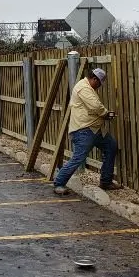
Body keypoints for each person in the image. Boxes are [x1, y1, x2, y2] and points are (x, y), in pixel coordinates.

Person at [53, 67, 119, 195]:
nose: (99, 87)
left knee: (111, 146)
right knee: (78, 158)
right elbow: (95, 106)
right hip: (84, 130)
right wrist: (105, 114)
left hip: (93, 129)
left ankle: (106, 181)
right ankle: (59, 183)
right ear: (94, 79)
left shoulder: (86, 87)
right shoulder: (83, 88)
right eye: (99, 83)